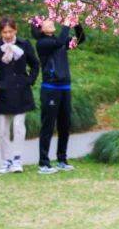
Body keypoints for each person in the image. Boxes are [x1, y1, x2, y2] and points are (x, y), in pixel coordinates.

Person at [0, 16, 38, 174]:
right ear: (0, 32)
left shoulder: (24, 44)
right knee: (3, 130)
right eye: (4, 32)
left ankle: (17, 159)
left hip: (21, 90)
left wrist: (29, 81)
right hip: (4, 91)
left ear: (15, 30)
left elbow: (35, 64)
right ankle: (6, 160)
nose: (7, 35)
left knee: (19, 127)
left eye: (10, 31)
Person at [32, 19, 85, 174]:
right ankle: (43, 163)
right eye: (45, 22)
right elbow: (61, 40)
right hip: (50, 88)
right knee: (48, 125)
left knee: (64, 124)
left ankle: (62, 159)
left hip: (65, 87)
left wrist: (76, 24)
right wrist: (67, 23)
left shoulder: (59, 41)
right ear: (41, 29)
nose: (50, 21)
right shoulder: (42, 43)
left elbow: (81, 39)